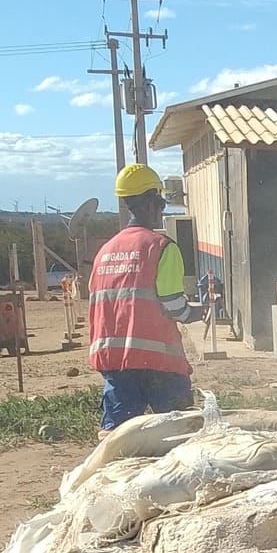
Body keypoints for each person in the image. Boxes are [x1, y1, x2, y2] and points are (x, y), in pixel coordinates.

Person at [87, 165, 195, 430]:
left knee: (117, 442)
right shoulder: (161, 247)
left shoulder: (105, 251)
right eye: (160, 200)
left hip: (115, 362)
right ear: (149, 202)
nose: (162, 208)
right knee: (179, 436)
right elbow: (173, 304)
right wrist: (194, 313)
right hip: (159, 363)